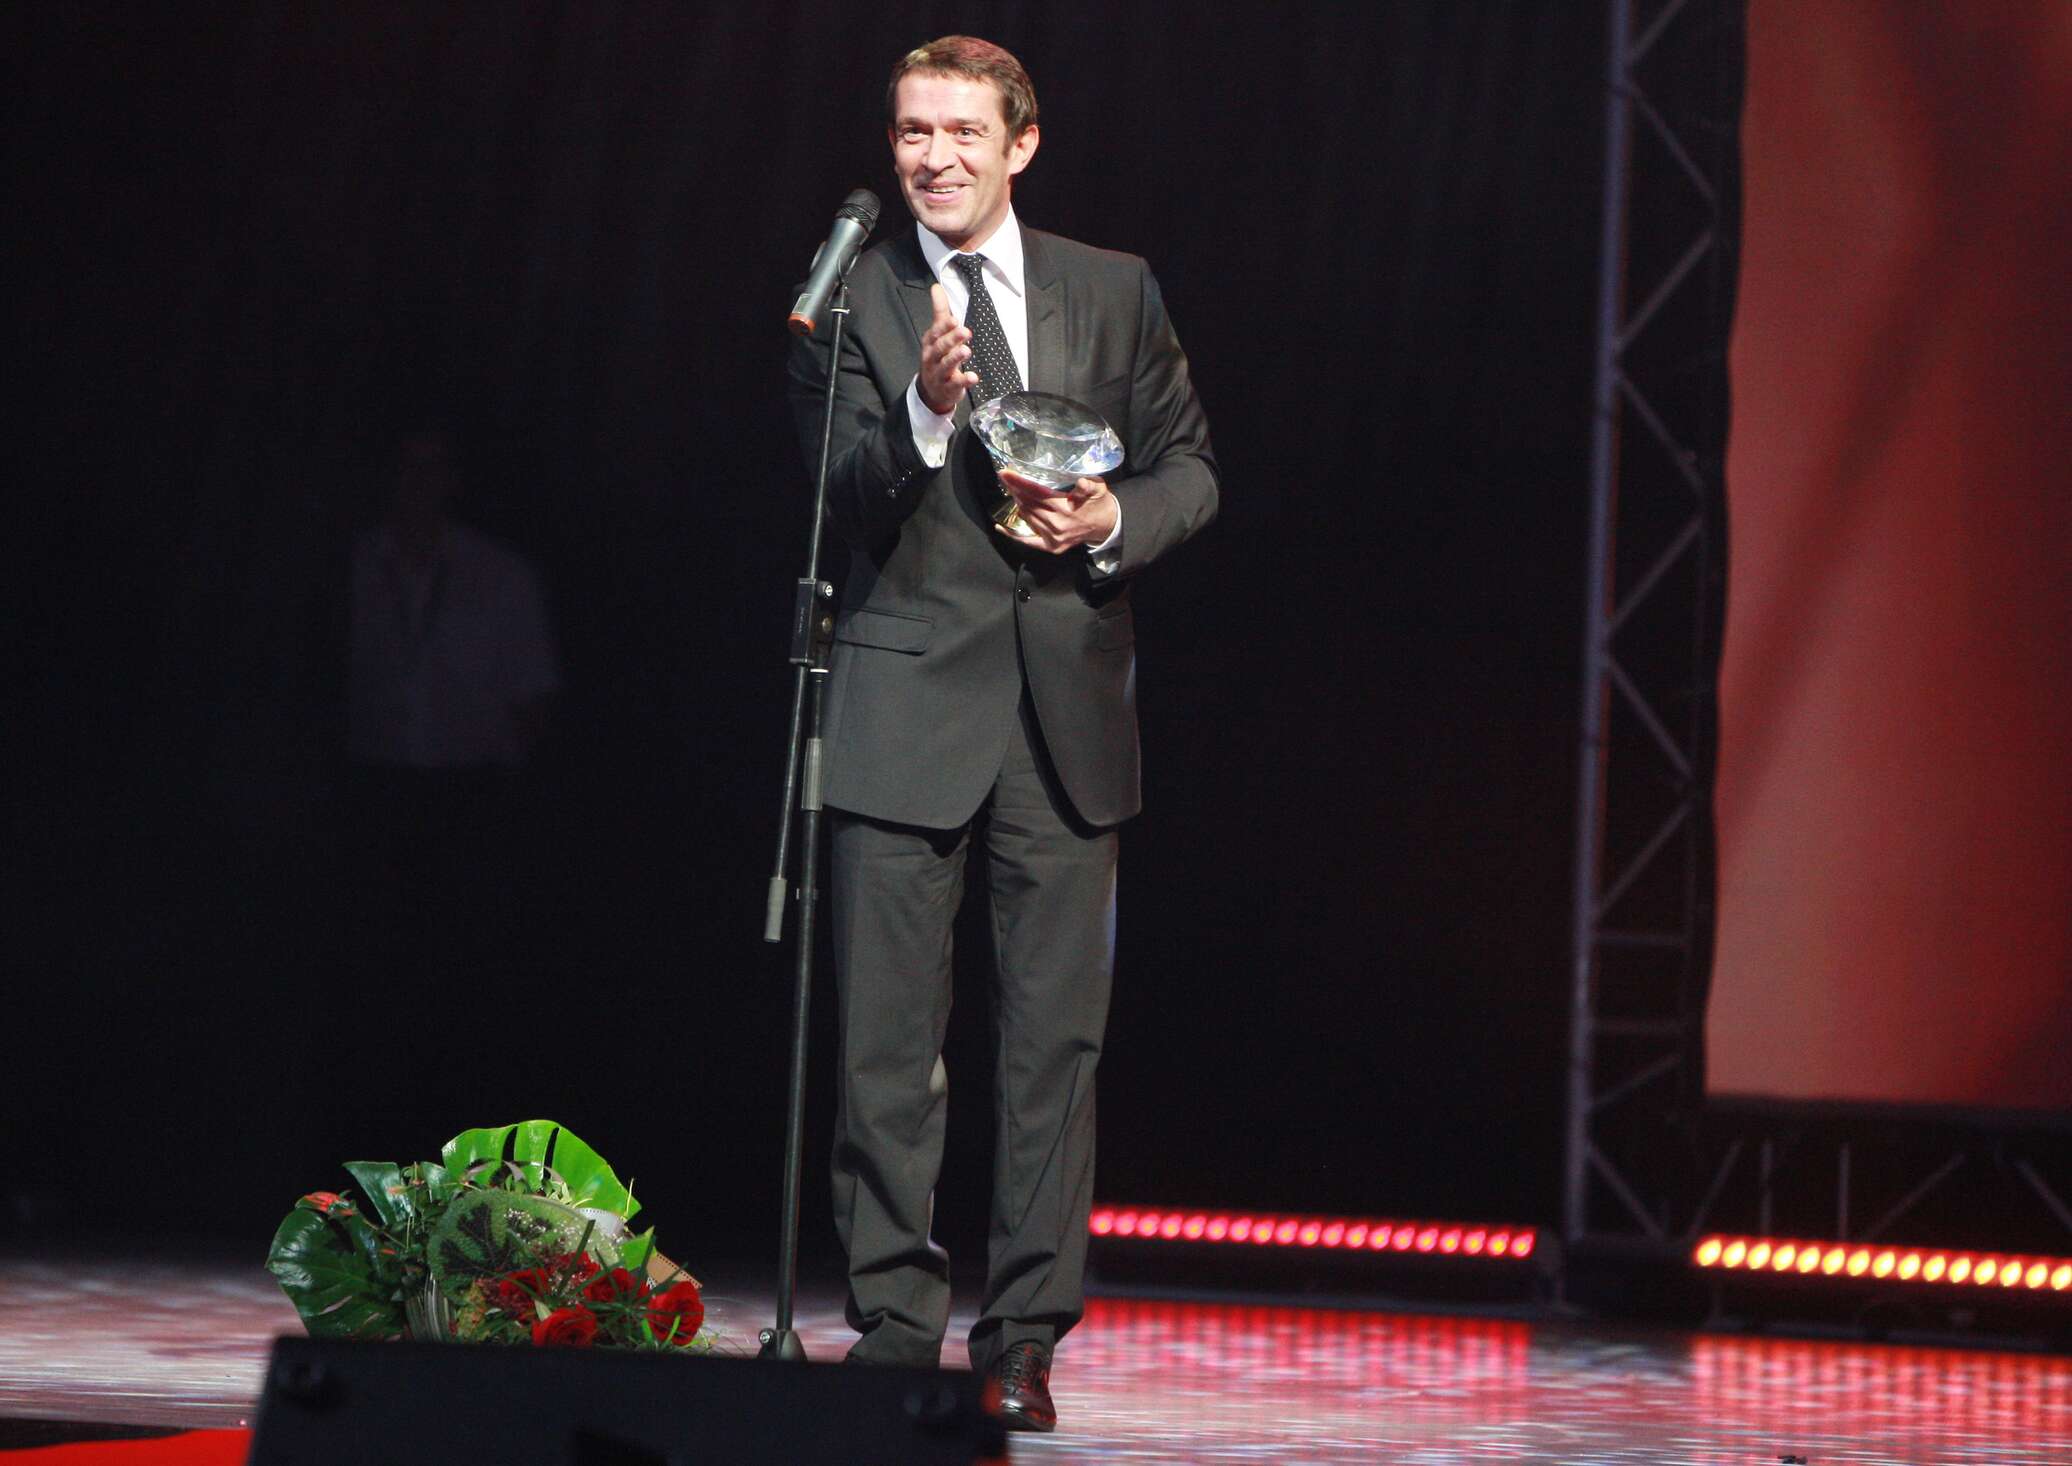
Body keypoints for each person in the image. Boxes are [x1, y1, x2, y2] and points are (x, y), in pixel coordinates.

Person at [787, 36, 1217, 1431]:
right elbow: (837, 495)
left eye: (965, 132)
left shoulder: (1113, 288)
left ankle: (1022, 1341)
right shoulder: (851, 291)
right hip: (905, 706)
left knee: (1052, 1053)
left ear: (1021, 144)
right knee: (885, 1052)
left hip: (1065, 719)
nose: (936, 157)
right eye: (914, 131)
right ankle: (895, 1332)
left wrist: (1110, 520)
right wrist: (922, 410)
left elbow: (1192, 468)